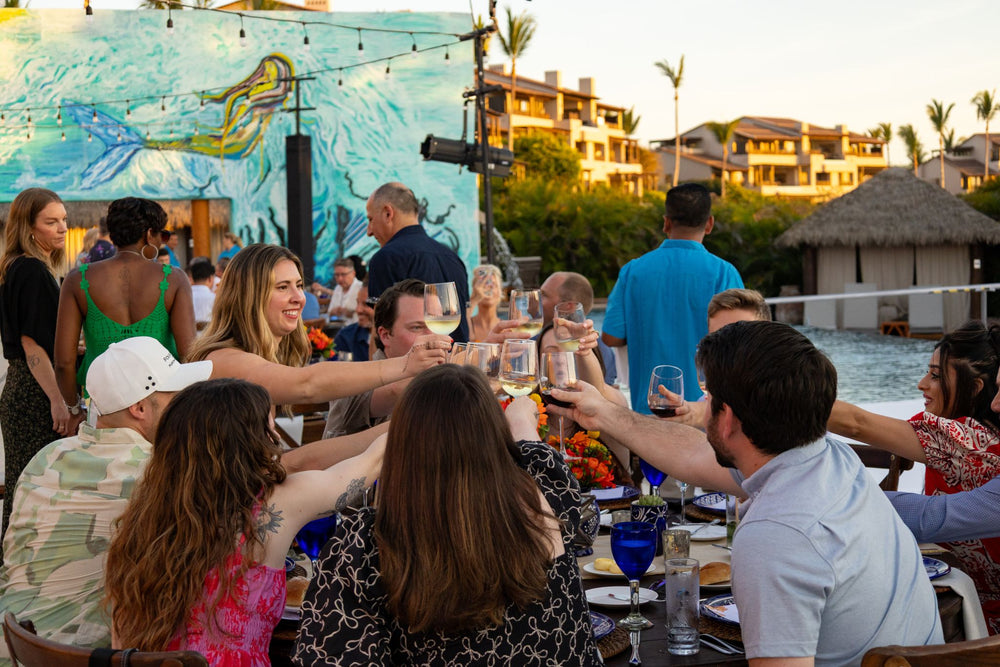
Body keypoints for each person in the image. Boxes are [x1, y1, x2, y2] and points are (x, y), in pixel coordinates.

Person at [549, 321, 942, 665]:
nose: (702, 405)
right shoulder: (829, 460)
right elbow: (693, 453)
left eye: (710, 398)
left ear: (729, 419)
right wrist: (603, 413)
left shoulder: (776, 536)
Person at [295, 364, 602, 665]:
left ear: (402, 449)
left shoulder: (367, 548)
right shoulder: (545, 501)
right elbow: (543, 462)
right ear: (496, 441)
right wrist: (519, 420)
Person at [105, 377, 383, 665]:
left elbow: (121, 645)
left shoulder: (141, 520)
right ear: (249, 439)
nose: (275, 437)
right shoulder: (274, 503)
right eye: (270, 426)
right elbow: (370, 464)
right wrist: (414, 411)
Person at [0, 337, 212, 656]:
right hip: (76, 659)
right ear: (139, 407)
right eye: (177, 396)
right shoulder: (157, 473)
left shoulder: (47, 456)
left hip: (12, 643)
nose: (188, 405)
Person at [187, 244, 449, 461]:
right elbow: (308, 385)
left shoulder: (261, 358)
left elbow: (292, 464)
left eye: (299, 285)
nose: (299, 297)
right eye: (282, 287)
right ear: (249, 296)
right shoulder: (223, 359)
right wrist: (407, 365)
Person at [828, 320, 1000, 632]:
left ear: (974, 389)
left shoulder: (971, 443)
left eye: (935, 375)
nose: (922, 383)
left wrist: (780, 398)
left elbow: (856, 424)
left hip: (977, 619)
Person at [601, 183, 743, 410]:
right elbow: (740, 343)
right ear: (709, 224)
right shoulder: (723, 273)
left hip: (648, 411)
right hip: (705, 412)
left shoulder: (633, 271)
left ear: (666, 222)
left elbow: (610, 337)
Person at [55, 197, 196, 409]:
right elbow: (189, 354)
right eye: (162, 235)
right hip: (161, 406)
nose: (162, 241)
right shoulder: (173, 279)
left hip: (103, 406)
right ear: (149, 235)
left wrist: (74, 408)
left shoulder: (78, 280)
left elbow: (64, 363)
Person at [0, 188, 74, 547]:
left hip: (23, 387)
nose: (62, 228)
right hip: (34, 390)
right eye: (51, 222)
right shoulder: (30, 270)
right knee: (34, 484)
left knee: (26, 482)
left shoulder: (20, 266)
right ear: (29, 228)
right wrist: (57, 400)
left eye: (63, 219)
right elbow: (32, 345)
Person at [365, 182, 471, 342]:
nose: (369, 231)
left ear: (388, 213)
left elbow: (380, 336)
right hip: (457, 363)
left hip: (414, 364)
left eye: (371, 219)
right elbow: (466, 323)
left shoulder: (386, 258)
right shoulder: (452, 258)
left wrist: (374, 366)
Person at [323, 279, 429, 438]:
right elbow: (391, 393)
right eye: (417, 327)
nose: (431, 337)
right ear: (385, 335)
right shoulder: (355, 385)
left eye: (436, 324)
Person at [665, 287, 772, 429]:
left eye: (741, 336)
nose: (728, 348)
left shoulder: (783, 389)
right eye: (717, 338)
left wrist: (693, 413)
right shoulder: (707, 395)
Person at [540, 270, 616, 385]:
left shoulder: (599, 351)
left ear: (567, 306)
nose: (536, 300)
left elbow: (600, 395)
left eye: (543, 295)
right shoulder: (606, 350)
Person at [333, 281, 373, 363]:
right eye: (357, 303)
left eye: (366, 304)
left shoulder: (396, 339)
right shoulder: (346, 337)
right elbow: (342, 372)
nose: (358, 310)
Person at [315, 258, 362, 324]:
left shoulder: (361, 288)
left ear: (353, 273)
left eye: (343, 274)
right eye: (337, 275)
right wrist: (333, 312)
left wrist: (350, 313)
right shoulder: (338, 288)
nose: (340, 278)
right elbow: (330, 312)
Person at [468, 264, 502, 342]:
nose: (489, 287)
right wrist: (473, 300)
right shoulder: (467, 322)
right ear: (475, 290)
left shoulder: (506, 328)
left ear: (500, 291)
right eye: (483, 283)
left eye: (493, 284)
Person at [188, 257, 216, 329]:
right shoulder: (215, 298)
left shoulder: (185, 297)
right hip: (210, 337)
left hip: (188, 337)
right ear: (210, 279)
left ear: (192, 278)